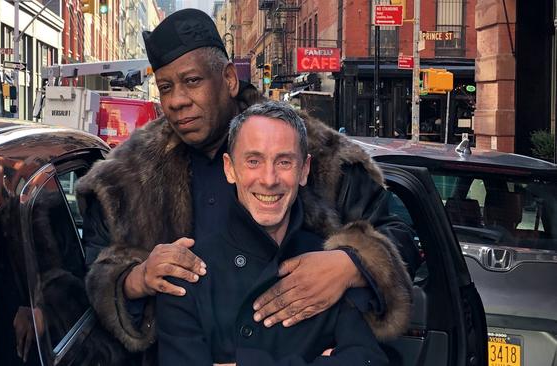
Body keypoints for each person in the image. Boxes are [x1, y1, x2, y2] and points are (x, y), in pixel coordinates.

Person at [76, 7, 419, 360]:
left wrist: (349, 265)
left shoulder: (315, 152)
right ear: (230, 168)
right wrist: (138, 279)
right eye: (166, 87)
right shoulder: (126, 179)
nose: (177, 100)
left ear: (227, 79)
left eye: (192, 81)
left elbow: (400, 236)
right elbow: (92, 275)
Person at [156, 101, 390, 365]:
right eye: (254, 161)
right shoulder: (186, 277)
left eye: (284, 162)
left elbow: (370, 360)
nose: (269, 179)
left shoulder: (330, 270)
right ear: (229, 169)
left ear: (304, 170)